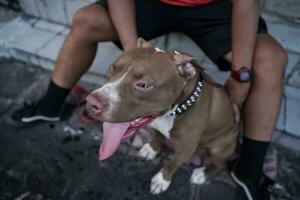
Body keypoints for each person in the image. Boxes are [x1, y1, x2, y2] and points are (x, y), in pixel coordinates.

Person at [6, 0, 287, 199]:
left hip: (216, 8)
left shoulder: (193, 93)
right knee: (85, 18)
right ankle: (49, 107)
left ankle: (247, 169)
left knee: (271, 58)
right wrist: (136, 58)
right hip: (152, 3)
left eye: (142, 84)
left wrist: (240, 76)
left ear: (188, 74)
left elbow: (247, 4)